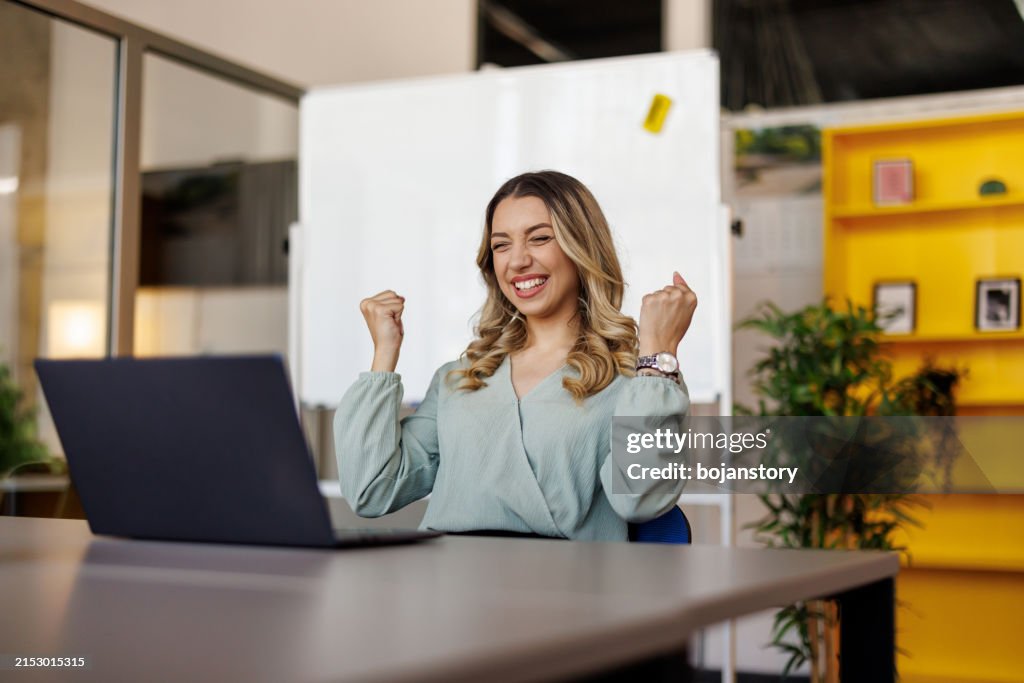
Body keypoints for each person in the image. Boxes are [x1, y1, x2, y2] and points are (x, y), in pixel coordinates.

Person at [335, 171, 697, 541]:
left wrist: (658, 355)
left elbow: (639, 499)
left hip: (566, 589)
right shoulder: (460, 377)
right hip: (447, 585)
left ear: (582, 248)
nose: (518, 261)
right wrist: (384, 355)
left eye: (539, 238)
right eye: (501, 245)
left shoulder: (637, 381)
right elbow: (372, 490)